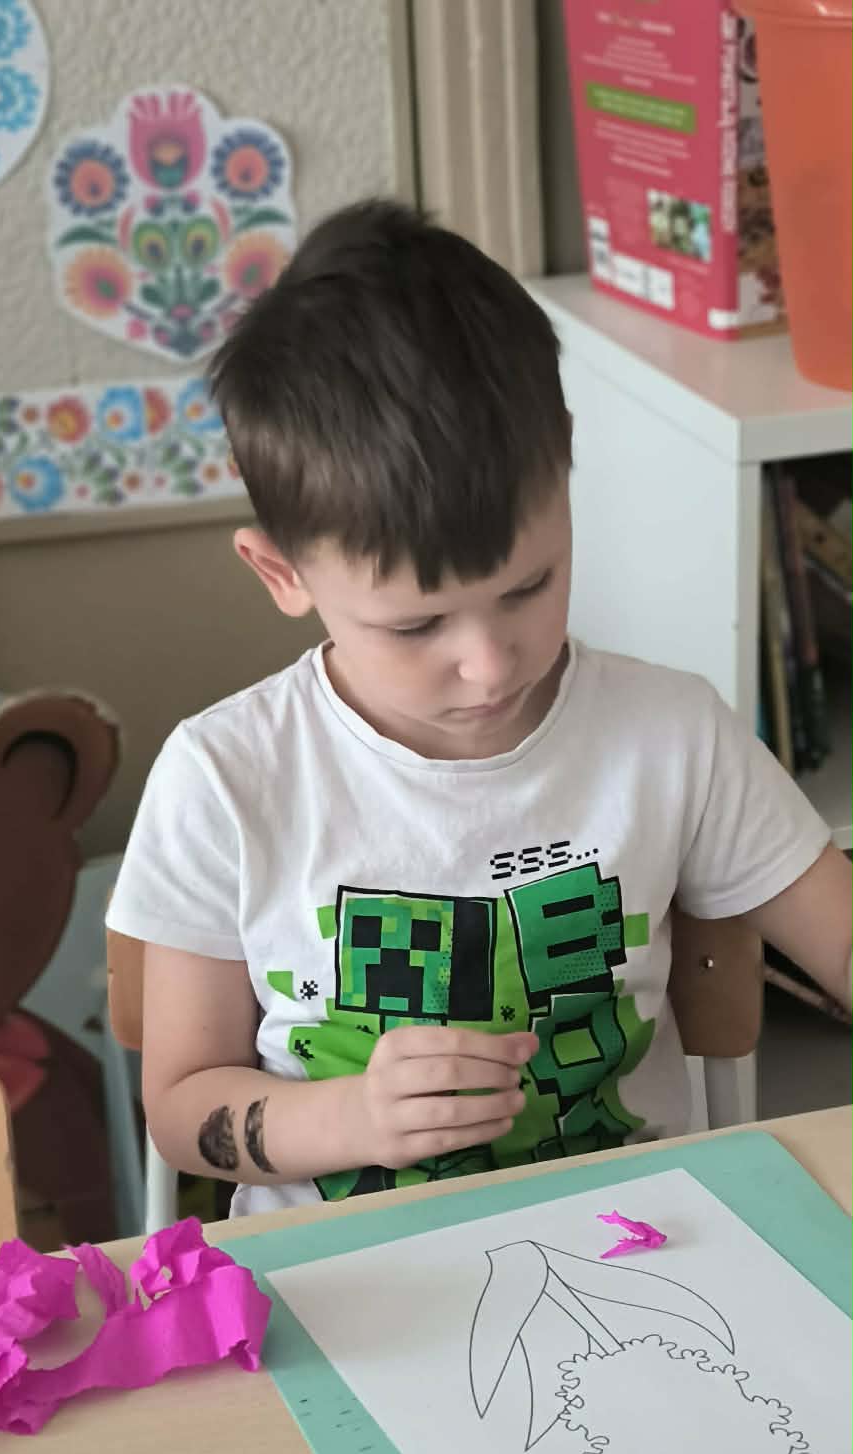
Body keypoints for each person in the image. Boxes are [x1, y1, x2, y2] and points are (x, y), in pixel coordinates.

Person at [107, 200, 853, 1217]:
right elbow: (182, 1106)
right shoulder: (226, 776)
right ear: (281, 572)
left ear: (567, 473)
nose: (488, 665)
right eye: (415, 626)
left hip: (637, 1237)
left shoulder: (672, 735)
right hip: (347, 1272)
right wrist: (351, 1118)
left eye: (528, 586)